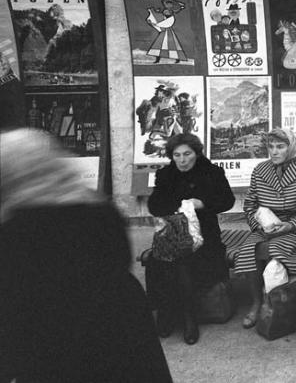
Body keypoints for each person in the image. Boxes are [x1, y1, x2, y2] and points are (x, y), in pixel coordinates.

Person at [0, 129, 172, 382]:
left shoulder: (13, 225)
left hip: (52, 337)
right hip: (120, 323)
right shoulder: (95, 206)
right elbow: (120, 258)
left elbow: (11, 299)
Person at [147, 133, 235, 345]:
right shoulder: (166, 174)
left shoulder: (211, 172)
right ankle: (166, 311)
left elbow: (227, 201)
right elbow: (154, 205)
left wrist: (202, 203)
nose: (182, 160)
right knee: (157, 261)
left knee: (184, 263)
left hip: (205, 237)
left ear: (196, 153)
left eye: (187, 154)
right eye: (177, 155)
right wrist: (178, 206)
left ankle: (188, 317)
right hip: (174, 236)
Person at [235, 128, 296, 329]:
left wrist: (290, 225)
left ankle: (275, 302)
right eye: (271, 147)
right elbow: (250, 205)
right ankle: (256, 301)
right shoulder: (260, 170)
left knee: (273, 249)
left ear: (290, 147)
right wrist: (260, 225)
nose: (274, 152)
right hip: (266, 227)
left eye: (280, 147)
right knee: (248, 250)